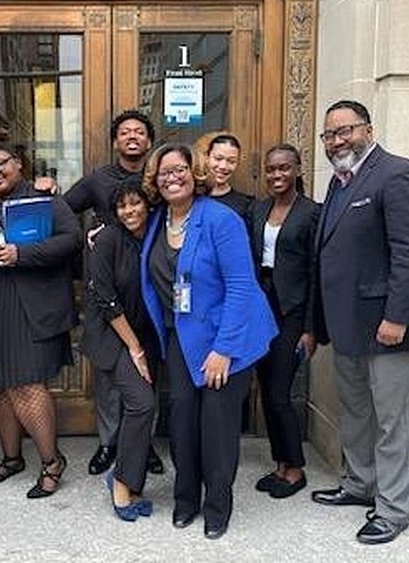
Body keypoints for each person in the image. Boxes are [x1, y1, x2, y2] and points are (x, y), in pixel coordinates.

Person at [310, 100, 409, 545]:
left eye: (345, 131)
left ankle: (394, 509)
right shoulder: (341, 182)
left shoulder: (397, 174)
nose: (337, 141)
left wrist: (397, 317)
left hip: (390, 330)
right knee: (359, 417)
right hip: (349, 328)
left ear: (368, 129)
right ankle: (361, 484)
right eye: (329, 135)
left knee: (395, 423)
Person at [139, 143, 278, 539]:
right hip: (183, 338)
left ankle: (218, 506)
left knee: (216, 426)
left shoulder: (221, 219)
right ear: (156, 180)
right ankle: (186, 500)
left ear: (194, 173)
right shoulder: (156, 221)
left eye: (180, 169)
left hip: (227, 339)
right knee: (182, 419)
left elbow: (240, 287)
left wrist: (224, 351)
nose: (173, 177)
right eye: (164, 172)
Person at [0, 127, 81, 499]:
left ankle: (52, 461)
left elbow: (72, 239)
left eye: (1, 163)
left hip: (30, 309)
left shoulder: (43, 198)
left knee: (26, 384)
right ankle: (12, 458)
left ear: (18, 164)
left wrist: (21, 255)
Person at [62, 110, 164, 476]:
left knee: (148, 374)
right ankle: (109, 444)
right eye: (125, 132)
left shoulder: (158, 178)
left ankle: (144, 444)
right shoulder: (98, 180)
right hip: (107, 291)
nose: (132, 137)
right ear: (116, 141)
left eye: (139, 132)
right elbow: (62, 211)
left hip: (148, 292)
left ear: (149, 141)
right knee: (107, 378)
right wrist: (87, 236)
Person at [81, 178, 159, 522]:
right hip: (113, 336)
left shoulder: (157, 234)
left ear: (147, 204)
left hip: (145, 335)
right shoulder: (108, 239)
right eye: (122, 206)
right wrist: (135, 349)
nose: (130, 211)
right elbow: (105, 299)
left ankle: (131, 478)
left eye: (135, 203)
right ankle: (123, 483)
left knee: (139, 407)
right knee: (142, 404)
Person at [249, 144, 319, 499]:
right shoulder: (259, 209)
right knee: (266, 389)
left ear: (297, 169)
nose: (277, 175)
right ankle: (280, 464)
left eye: (284, 169)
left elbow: (315, 273)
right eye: (272, 169)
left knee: (279, 392)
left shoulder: (311, 213)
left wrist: (310, 328)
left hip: (293, 312)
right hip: (263, 309)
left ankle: (295, 468)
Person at [203, 133, 254, 218]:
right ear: (207, 158)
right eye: (218, 159)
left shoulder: (246, 205)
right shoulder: (191, 198)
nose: (223, 166)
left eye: (231, 161)